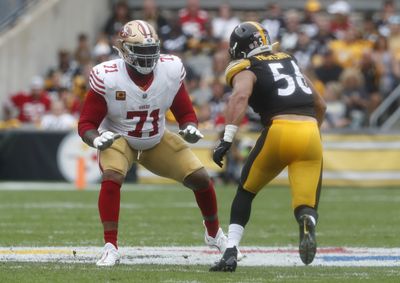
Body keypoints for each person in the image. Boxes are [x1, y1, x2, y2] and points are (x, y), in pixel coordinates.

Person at [78, 20, 227, 266]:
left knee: (201, 178)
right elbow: (85, 124)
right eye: (141, 50)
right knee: (112, 176)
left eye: (151, 50)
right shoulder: (107, 76)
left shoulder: (170, 69)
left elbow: (185, 111)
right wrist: (97, 138)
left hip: (156, 138)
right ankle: (110, 246)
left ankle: (213, 234)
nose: (148, 57)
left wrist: (189, 126)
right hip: (120, 138)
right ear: (125, 50)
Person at [209, 21, 326, 272]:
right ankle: (306, 222)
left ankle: (230, 250)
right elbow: (321, 105)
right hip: (310, 132)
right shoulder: (289, 59)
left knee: (246, 191)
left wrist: (227, 138)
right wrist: (313, 133)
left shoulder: (247, 65)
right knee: (305, 204)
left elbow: (240, 96)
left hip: (280, 130)